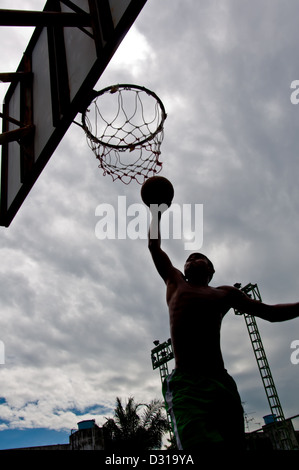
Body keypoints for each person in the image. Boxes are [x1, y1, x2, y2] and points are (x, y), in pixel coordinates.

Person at [147, 209, 299, 452]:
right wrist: (156, 211)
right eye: (189, 258)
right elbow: (154, 247)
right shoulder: (176, 283)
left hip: (221, 383)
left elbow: (269, 313)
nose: (191, 259)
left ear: (211, 270)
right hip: (188, 385)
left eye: (199, 257)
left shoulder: (225, 293)